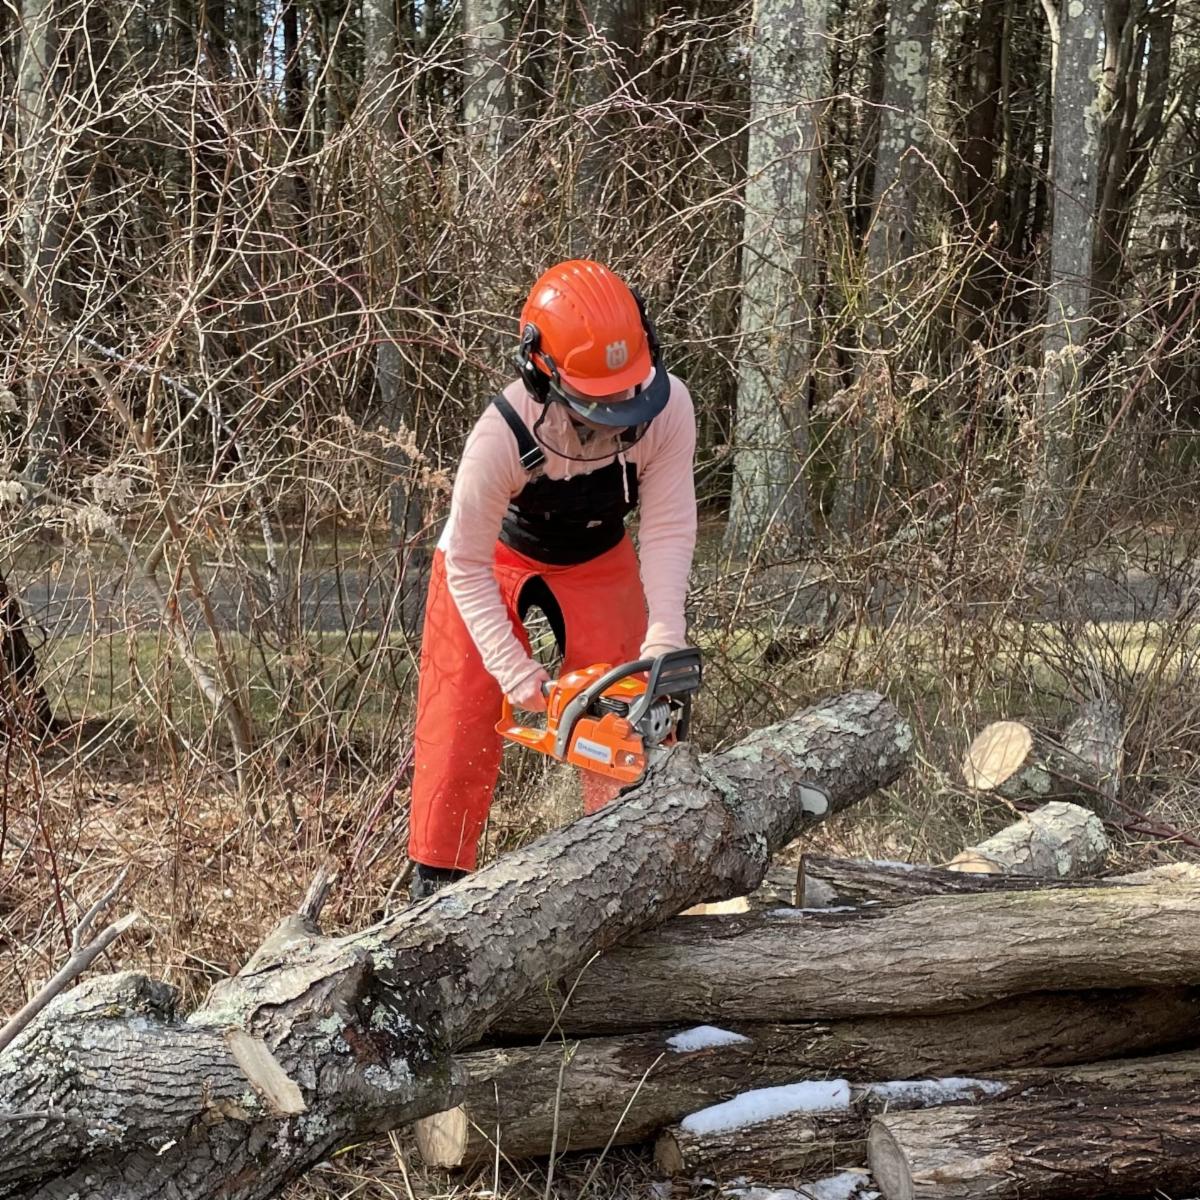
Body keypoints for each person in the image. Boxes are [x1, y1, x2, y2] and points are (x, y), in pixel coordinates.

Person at [406, 259, 698, 899]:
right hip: (491, 560)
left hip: (598, 554)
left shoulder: (669, 408)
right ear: (543, 375)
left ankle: (629, 866)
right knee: (457, 723)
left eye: (630, 395)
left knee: (632, 717)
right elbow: (466, 562)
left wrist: (664, 634)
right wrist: (516, 673)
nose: (621, 415)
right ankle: (435, 887)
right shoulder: (501, 436)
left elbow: (669, 527)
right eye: (602, 403)